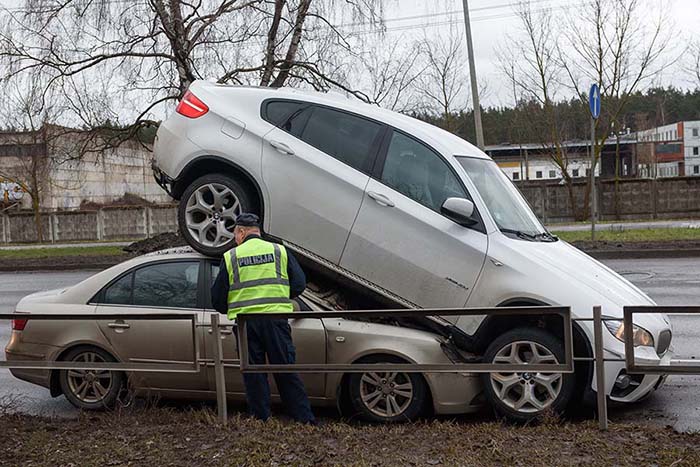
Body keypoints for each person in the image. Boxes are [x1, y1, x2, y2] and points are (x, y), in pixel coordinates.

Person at [211, 213, 315, 424]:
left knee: (254, 374)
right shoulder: (279, 251)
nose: (235, 240)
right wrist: (278, 295)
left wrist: (234, 303)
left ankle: (261, 420)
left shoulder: (231, 256)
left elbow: (217, 299)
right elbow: (300, 284)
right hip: (276, 320)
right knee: (286, 370)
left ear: (240, 232)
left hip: (246, 324)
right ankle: (304, 420)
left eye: (235, 235)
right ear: (257, 231)